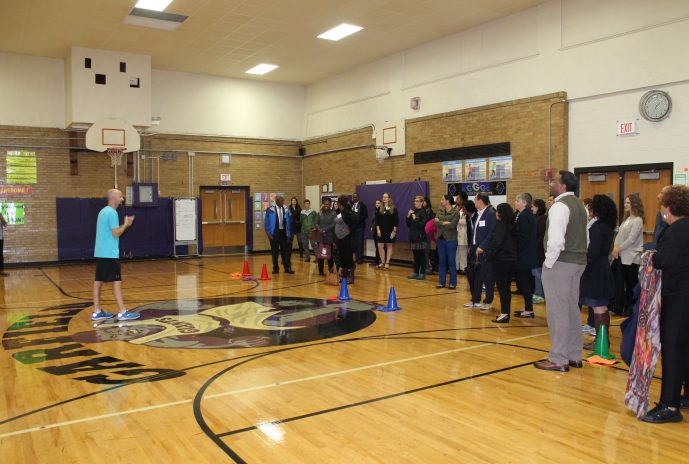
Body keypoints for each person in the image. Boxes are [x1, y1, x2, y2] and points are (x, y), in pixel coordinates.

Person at [641, 185, 689, 423]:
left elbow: (664, 259)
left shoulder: (677, 229)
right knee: (684, 347)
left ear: (668, 208)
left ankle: (669, 406)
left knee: (672, 348)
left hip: (678, 296)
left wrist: (652, 256)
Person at [534, 170, 588, 372]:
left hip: (561, 263)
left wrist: (548, 264)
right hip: (578, 262)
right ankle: (574, 355)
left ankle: (558, 358)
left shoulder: (559, 206)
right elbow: (586, 236)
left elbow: (555, 240)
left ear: (563, 186)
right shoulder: (580, 206)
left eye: (554, 181)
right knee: (572, 309)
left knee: (557, 312)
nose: (551, 183)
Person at [91, 189, 140, 321]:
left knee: (98, 282)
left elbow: (111, 230)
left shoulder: (103, 211)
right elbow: (116, 233)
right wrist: (125, 225)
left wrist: (124, 225)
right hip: (110, 253)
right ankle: (123, 311)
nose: (122, 199)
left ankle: (96, 311)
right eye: (120, 196)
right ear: (113, 198)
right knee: (116, 282)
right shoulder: (112, 213)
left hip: (101, 252)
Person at [578, 194, 617, 351]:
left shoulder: (597, 227)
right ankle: (602, 340)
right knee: (601, 307)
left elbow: (593, 252)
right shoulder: (607, 226)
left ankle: (602, 342)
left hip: (595, 271)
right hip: (602, 268)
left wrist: (582, 261)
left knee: (598, 307)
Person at [481, 203, 517, 323]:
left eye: (497, 211)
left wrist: (488, 255)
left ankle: (505, 313)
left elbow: (497, 243)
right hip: (510, 260)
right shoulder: (512, 224)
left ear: (501, 213)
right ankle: (505, 312)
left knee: (503, 288)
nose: (496, 213)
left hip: (501, 260)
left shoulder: (502, 226)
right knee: (505, 288)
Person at [613, 193, 644, 315]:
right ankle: (620, 306)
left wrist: (619, 248)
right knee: (621, 283)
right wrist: (615, 247)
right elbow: (619, 236)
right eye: (625, 202)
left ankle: (632, 308)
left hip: (631, 257)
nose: (625, 205)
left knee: (631, 284)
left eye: (628, 203)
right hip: (621, 256)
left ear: (634, 205)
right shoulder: (626, 220)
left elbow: (631, 239)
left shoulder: (638, 220)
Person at [464, 193, 497, 310]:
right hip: (475, 249)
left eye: (475, 200)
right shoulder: (477, 214)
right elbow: (475, 233)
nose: (474, 202)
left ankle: (488, 301)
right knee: (476, 276)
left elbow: (492, 233)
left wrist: (483, 246)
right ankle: (475, 300)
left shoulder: (491, 214)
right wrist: (471, 247)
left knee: (488, 276)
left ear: (481, 201)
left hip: (485, 250)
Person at [513, 193, 538, 319]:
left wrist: (514, 247)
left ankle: (529, 309)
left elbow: (523, 237)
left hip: (524, 254)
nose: (515, 202)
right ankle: (528, 307)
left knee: (525, 282)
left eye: (517, 200)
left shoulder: (524, 216)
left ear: (524, 203)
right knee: (525, 282)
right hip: (526, 253)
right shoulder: (525, 214)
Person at [434, 194, 461, 290]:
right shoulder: (440, 210)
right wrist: (445, 222)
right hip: (440, 239)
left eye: (442, 199)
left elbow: (453, 225)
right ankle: (442, 282)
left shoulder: (456, 213)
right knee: (441, 261)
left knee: (451, 261)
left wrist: (441, 222)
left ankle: (453, 283)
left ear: (448, 201)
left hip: (451, 240)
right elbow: (435, 222)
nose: (441, 201)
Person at [264, 195, 294, 274]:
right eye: (281, 201)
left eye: (283, 201)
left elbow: (290, 222)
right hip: (274, 233)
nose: (283, 202)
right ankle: (275, 268)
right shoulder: (270, 210)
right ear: (277, 201)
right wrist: (268, 234)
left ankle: (287, 268)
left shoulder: (286, 209)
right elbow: (266, 223)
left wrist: (290, 234)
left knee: (285, 252)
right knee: (275, 252)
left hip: (284, 233)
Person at [334, 195, 357, 284]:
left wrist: (350, 229)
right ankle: (344, 276)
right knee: (343, 257)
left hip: (346, 238)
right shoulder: (343, 211)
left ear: (340, 203)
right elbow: (339, 217)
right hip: (341, 238)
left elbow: (356, 221)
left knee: (347, 257)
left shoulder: (347, 211)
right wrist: (336, 210)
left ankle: (351, 277)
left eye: (338, 203)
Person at [406, 196, 428, 280]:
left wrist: (415, 219)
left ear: (421, 202)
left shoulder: (423, 212)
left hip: (420, 237)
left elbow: (422, 225)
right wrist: (408, 216)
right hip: (413, 237)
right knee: (415, 256)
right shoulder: (414, 211)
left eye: (417, 201)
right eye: (415, 201)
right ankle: (415, 272)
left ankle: (422, 273)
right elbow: (408, 225)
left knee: (421, 256)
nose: (415, 202)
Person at [375, 192, 398, 270]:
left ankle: (387, 262)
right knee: (380, 246)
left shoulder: (393, 208)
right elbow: (377, 220)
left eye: (386, 197)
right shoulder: (379, 208)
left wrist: (394, 231)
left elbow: (396, 221)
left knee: (389, 245)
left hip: (390, 230)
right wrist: (378, 229)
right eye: (383, 197)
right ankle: (382, 261)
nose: (384, 198)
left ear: (389, 199)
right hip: (381, 230)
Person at [531, 199, 547, 304]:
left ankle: (539, 294)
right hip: (536, 250)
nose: (531, 208)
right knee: (536, 272)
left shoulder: (542, 219)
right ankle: (538, 292)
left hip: (539, 251)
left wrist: (535, 247)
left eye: (533, 206)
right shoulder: (537, 218)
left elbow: (541, 236)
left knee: (538, 273)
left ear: (538, 207)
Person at [316, 197, 336, 276]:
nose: (326, 205)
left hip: (329, 237)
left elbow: (333, 224)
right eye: (325, 204)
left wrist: (325, 230)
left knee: (329, 256)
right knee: (320, 256)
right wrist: (320, 230)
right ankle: (320, 272)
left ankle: (330, 271)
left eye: (327, 204)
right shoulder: (320, 212)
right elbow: (316, 222)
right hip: (320, 237)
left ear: (330, 204)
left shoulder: (333, 213)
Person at [351, 192, 368, 264]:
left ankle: (360, 259)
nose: (355, 198)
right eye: (353, 197)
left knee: (360, 243)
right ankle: (356, 258)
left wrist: (358, 220)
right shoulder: (351, 205)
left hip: (360, 228)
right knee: (354, 244)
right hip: (352, 228)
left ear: (358, 198)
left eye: (356, 197)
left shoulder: (362, 205)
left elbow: (365, 215)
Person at [455, 192, 469, 274]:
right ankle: (456, 267)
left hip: (463, 232)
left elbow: (467, 221)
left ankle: (464, 268)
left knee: (463, 250)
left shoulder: (466, 208)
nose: (456, 200)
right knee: (456, 250)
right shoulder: (455, 207)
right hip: (455, 232)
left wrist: (457, 221)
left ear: (462, 200)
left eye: (458, 199)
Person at [422, 197, 436, 274]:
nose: (422, 203)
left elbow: (426, 220)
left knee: (426, 250)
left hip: (427, 233)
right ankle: (424, 266)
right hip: (421, 232)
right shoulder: (422, 210)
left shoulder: (429, 211)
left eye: (423, 201)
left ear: (427, 202)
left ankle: (428, 267)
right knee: (422, 250)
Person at [371, 199, 383, 266]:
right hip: (374, 231)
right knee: (376, 246)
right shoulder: (374, 211)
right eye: (376, 203)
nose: (377, 204)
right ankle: (376, 260)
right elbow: (373, 221)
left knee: (380, 246)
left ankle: (381, 260)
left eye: (378, 203)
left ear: (381, 204)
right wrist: (372, 227)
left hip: (380, 231)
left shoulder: (382, 211)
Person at [0, 211, 7, 276]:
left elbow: (5, 225)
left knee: (0, 255)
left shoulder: (0, 215)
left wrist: (2, 218)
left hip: (0, 239)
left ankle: (1, 271)